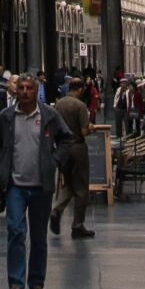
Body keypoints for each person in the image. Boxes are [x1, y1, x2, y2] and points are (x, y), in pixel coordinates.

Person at [0, 74, 70, 289]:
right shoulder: (7, 117)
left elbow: (66, 139)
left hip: (41, 186)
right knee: (15, 231)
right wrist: (0, 162)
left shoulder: (49, 116)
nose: (24, 92)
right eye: (21, 88)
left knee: (39, 236)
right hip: (15, 185)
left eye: (29, 88)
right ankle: (15, 283)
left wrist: (54, 161)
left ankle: (36, 283)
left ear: (36, 90)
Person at [49, 78, 95, 239]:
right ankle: (78, 224)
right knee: (81, 187)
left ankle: (57, 210)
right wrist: (91, 128)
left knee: (67, 183)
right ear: (81, 89)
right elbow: (83, 131)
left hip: (62, 148)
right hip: (77, 147)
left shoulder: (58, 104)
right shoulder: (80, 106)